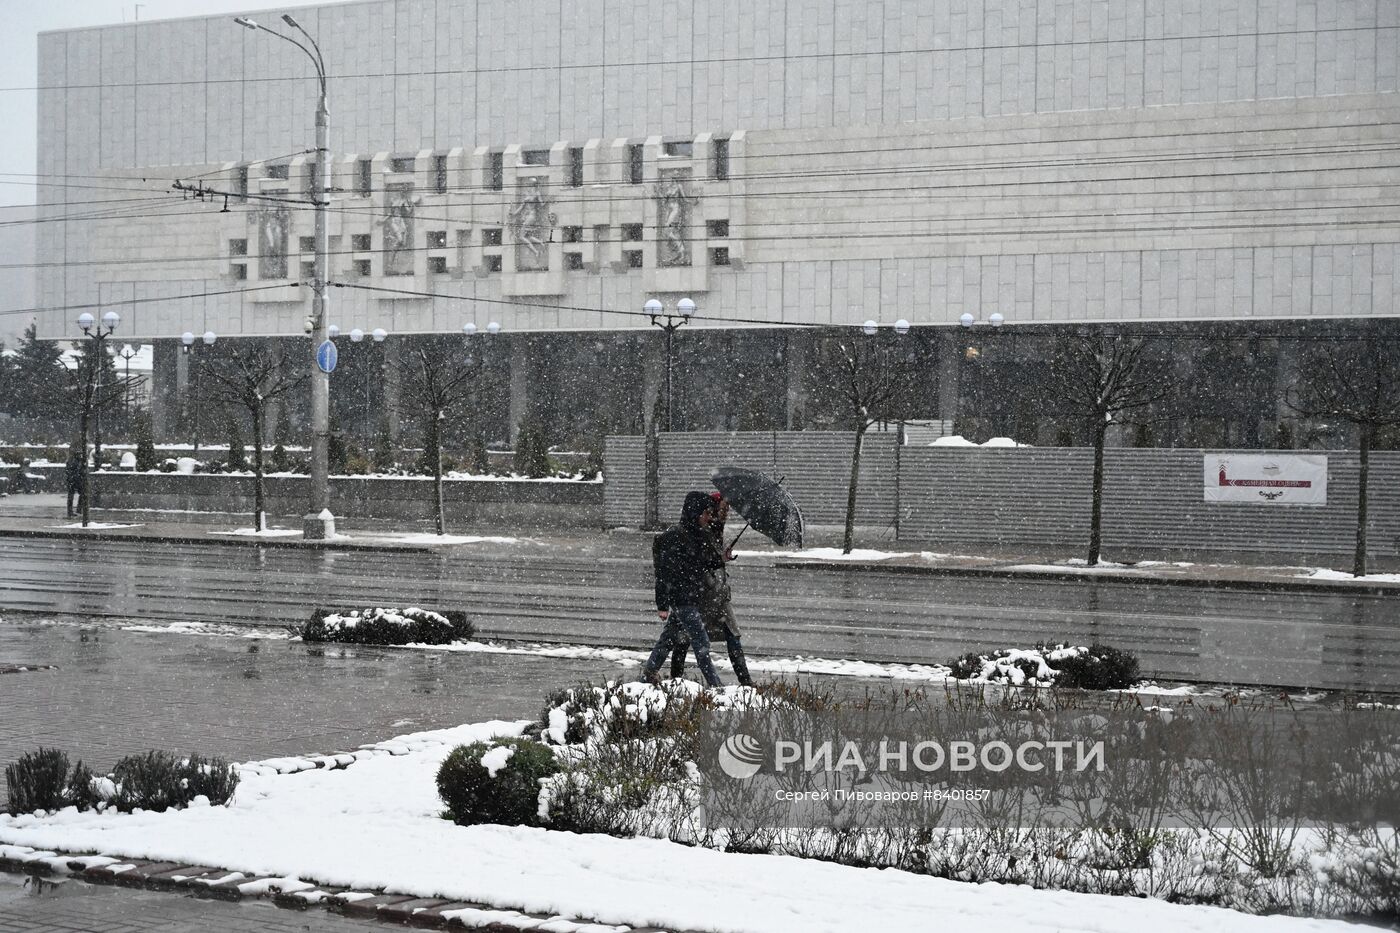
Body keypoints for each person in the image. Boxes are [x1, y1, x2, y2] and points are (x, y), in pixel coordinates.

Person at [669, 492, 754, 686]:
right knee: (684, 637)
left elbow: (713, 558)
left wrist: (722, 556)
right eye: (724, 508)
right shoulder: (703, 527)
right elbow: (703, 560)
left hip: (718, 593)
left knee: (732, 634)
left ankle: (746, 681)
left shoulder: (715, 527)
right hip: (701, 593)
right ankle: (675, 680)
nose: (727, 512)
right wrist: (719, 558)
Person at [643, 491, 726, 687]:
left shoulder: (698, 535)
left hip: (691, 598)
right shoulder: (675, 537)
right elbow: (663, 573)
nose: (708, 517)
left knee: (667, 640)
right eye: (706, 513)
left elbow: (701, 564)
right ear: (695, 513)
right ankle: (717, 687)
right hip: (682, 599)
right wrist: (662, 604)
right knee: (702, 644)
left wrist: (721, 558)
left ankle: (649, 673)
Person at [64, 446, 86, 518]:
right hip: (75, 480)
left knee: (72, 496)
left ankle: (72, 511)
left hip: (73, 480)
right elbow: (73, 471)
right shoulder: (75, 461)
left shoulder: (74, 460)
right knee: (77, 495)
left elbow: (69, 471)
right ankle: (76, 510)